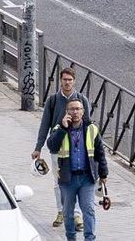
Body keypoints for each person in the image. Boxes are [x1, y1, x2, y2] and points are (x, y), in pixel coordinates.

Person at [34, 67, 93, 228]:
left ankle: (77, 216)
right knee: (59, 182)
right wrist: (38, 147)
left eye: (70, 80)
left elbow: (88, 124)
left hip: (78, 148)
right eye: (64, 79)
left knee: (79, 181)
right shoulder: (53, 101)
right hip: (57, 148)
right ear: (61, 80)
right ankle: (61, 211)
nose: (67, 82)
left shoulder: (82, 100)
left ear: (74, 81)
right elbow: (44, 124)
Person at [47, 99, 108, 241]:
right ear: (67, 112)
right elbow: (52, 146)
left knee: (89, 210)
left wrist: (103, 173)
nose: (75, 112)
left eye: (78, 109)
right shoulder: (59, 128)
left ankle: (90, 238)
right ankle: (71, 237)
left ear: (83, 112)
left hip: (87, 178)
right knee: (68, 213)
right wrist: (63, 128)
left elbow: (100, 152)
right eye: (72, 109)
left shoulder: (92, 129)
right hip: (67, 178)